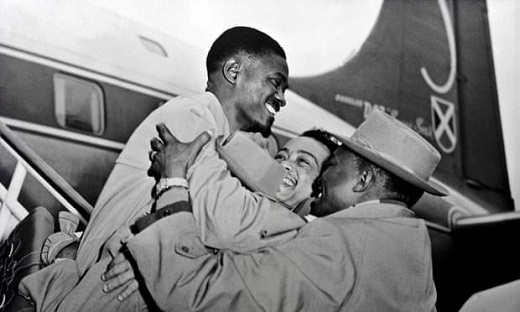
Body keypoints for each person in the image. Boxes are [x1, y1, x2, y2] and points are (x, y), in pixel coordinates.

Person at [113, 109, 446, 311]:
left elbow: (200, 297)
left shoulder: (338, 245)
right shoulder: (410, 250)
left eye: (333, 165)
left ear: (362, 180)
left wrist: (173, 183)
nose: (323, 178)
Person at [73, 26, 307, 276]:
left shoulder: (213, 131)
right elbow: (224, 222)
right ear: (233, 71)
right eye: (275, 83)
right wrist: (306, 227)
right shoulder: (193, 116)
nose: (282, 99)